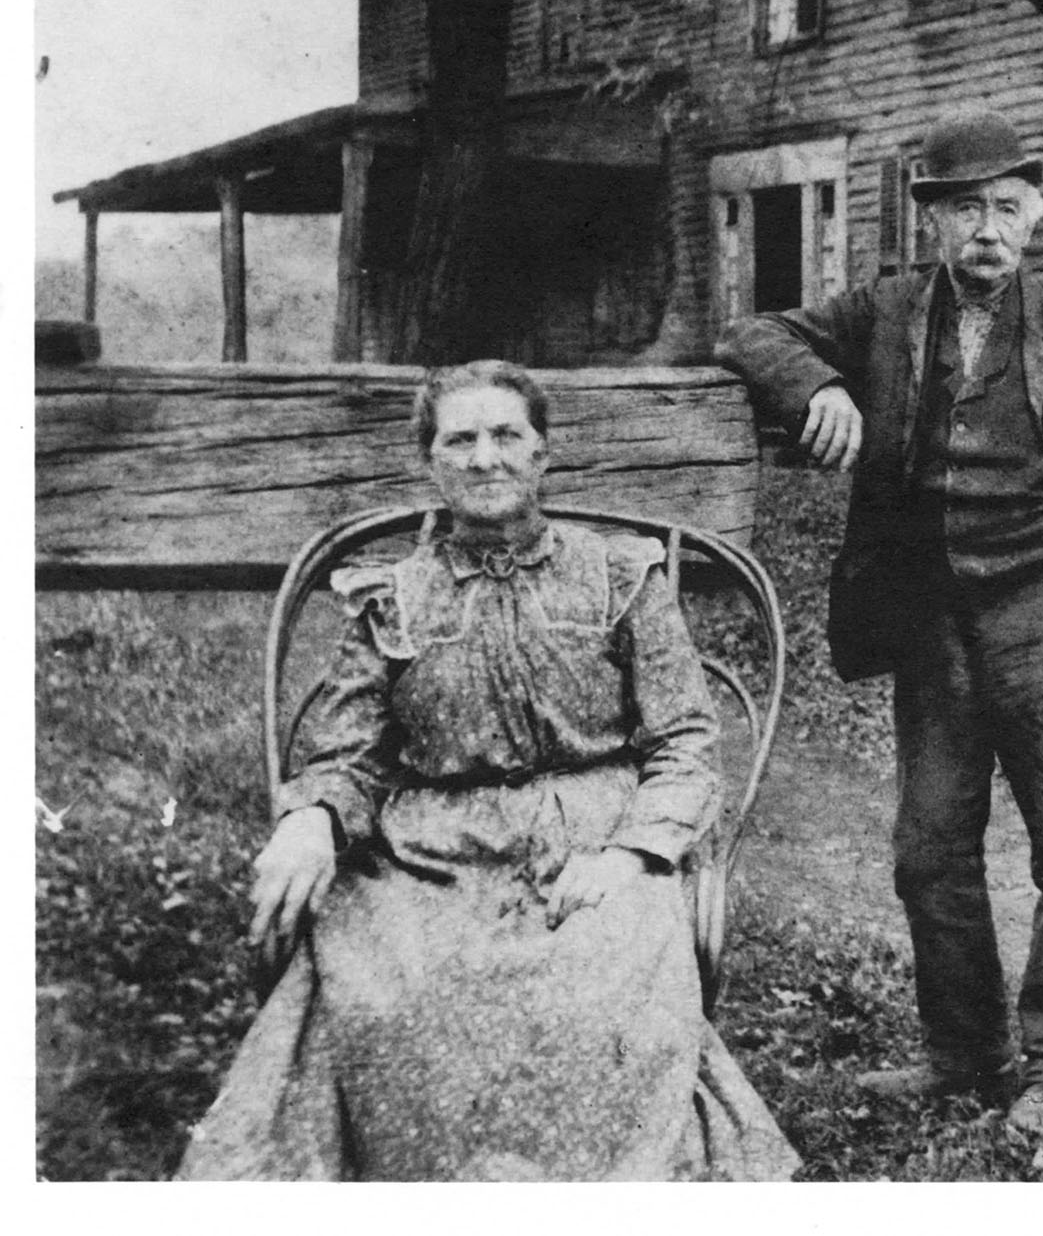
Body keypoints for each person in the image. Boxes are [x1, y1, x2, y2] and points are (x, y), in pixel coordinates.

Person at [715, 107, 1043, 1138]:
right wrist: (820, 382)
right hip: (931, 615)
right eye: (963, 209)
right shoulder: (888, 312)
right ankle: (962, 1052)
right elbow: (750, 331)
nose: (985, 228)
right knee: (928, 850)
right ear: (932, 221)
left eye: (1004, 207)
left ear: (1033, 216)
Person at [178, 361, 799, 1181]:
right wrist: (312, 819)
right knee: (393, 997)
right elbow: (348, 751)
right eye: (459, 439)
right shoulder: (391, 596)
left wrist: (630, 855)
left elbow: (686, 739)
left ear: (543, 454)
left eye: (507, 435)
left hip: (596, 840)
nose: (485, 458)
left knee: (592, 996)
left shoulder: (622, 578)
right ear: (429, 463)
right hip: (431, 852)